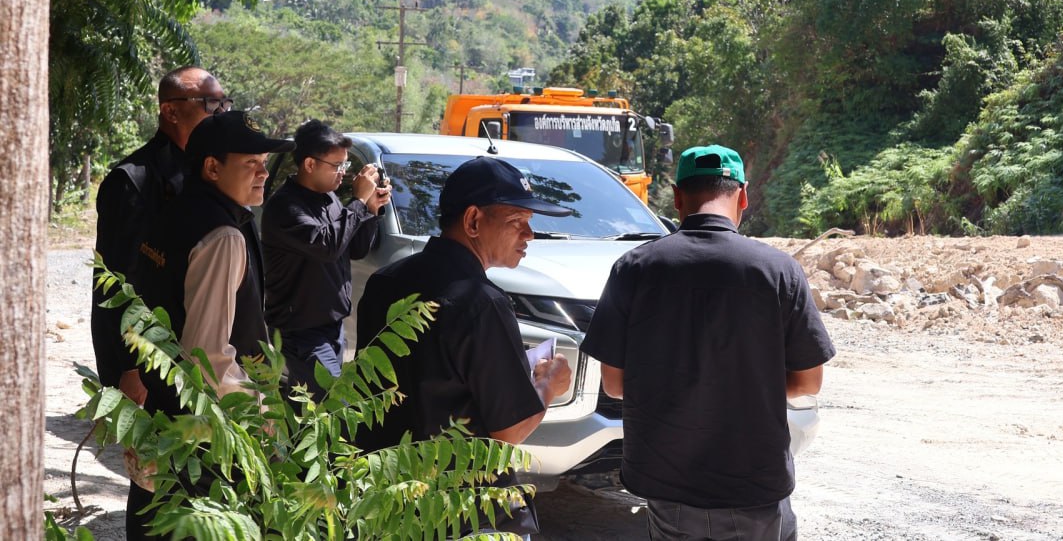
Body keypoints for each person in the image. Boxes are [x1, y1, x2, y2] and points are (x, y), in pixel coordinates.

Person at [580, 144, 836, 541]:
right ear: (744, 196)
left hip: (668, 485)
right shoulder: (778, 270)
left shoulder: (634, 268)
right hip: (755, 485)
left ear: (678, 197)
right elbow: (807, 383)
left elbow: (614, 384)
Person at [355, 155, 574, 537]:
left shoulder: (386, 281)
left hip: (387, 498)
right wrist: (547, 385)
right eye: (517, 221)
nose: (529, 235)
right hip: (464, 511)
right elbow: (509, 431)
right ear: (473, 220)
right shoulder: (481, 302)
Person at [125, 110, 294, 539]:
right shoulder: (222, 235)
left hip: (162, 416)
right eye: (249, 164)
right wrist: (264, 411)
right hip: (202, 439)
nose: (262, 174)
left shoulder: (172, 212)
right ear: (212, 167)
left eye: (263, 163)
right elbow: (206, 361)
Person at [93, 66, 230, 406]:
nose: (221, 113)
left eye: (224, 104)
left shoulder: (210, 174)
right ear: (170, 110)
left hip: (192, 359)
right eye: (210, 104)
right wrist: (131, 368)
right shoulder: (134, 181)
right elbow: (118, 283)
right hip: (148, 363)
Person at [261, 119, 390, 395]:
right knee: (335, 405)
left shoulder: (329, 198)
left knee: (306, 413)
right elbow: (326, 246)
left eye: (345, 165)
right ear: (309, 164)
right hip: (300, 331)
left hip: (331, 328)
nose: (343, 173)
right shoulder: (286, 206)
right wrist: (357, 202)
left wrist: (370, 209)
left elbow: (354, 249)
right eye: (337, 166)